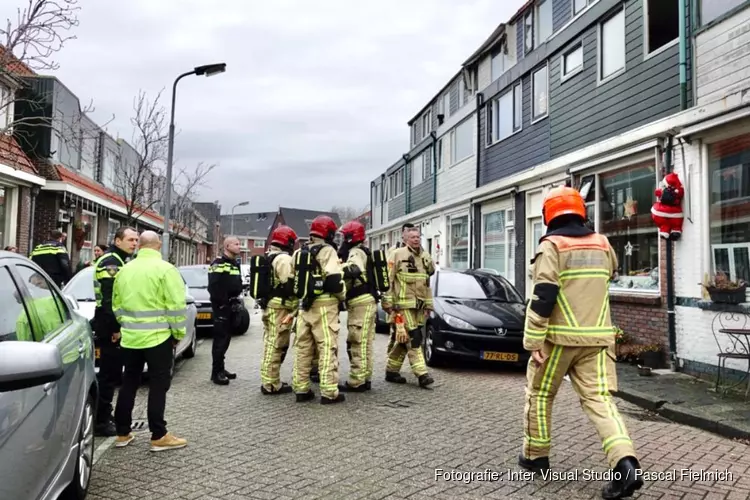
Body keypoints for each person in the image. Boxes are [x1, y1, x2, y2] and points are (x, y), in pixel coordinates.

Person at [519, 186, 642, 499]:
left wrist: (533, 339)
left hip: (557, 339)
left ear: (549, 214)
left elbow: (543, 296)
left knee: (540, 394)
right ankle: (625, 464)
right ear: (580, 211)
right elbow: (611, 273)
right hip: (598, 339)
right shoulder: (602, 243)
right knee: (601, 402)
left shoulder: (552, 246)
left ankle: (536, 456)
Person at [111, 231, 187, 452]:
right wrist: (178, 333)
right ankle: (159, 435)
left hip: (131, 338)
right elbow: (175, 306)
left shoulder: (124, 271)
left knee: (129, 384)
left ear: (140, 246)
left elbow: (116, 304)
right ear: (158, 245)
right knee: (158, 385)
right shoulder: (166, 270)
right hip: (158, 338)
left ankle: (122, 432)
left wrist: (125, 325)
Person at [291, 215, 346, 404]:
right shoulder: (328, 251)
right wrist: (342, 298)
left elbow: (292, 279)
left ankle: (301, 389)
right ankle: (329, 392)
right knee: (326, 348)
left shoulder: (299, 252)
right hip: (324, 307)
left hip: (304, 307)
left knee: (303, 349)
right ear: (328, 233)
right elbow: (334, 281)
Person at [92, 228, 139, 436]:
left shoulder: (119, 260)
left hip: (108, 323)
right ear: (117, 240)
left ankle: (103, 415)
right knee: (108, 375)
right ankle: (101, 421)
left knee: (110, 374)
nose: (134, 243)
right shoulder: (111, 262)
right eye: (130, 239)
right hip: (108, 325)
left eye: (137, 240)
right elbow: (110, 299)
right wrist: (115, 329)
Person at [382, 225, 435, 388]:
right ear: (405, 239)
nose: (416, 239)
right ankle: (422, 374)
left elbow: (427, 281)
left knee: (403, 340)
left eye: (418, 236)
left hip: (418, 307)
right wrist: (387, 304)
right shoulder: (397, 255)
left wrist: (428, 305)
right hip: (402, 307)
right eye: (412, 237)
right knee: (414, 338)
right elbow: (388, 281)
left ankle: (391, 371)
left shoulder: (425, 256)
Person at [338, 220, 377, 392]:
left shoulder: (355, 252)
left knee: (357, 341)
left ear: (349, 237)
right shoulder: (364, 251)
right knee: (366, 342)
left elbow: (354, 269)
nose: (341, 240)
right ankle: (365, 377)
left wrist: (337, 269)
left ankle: (356, 381)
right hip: (368, 301)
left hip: (360, 302)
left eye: (343, 236)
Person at [259, 225, 298, 395]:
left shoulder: (269, 256)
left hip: (271, 306)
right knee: (277, 344)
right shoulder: (283, 259)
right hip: (280, 308)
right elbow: (289, 284)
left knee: (270, 343)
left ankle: (269, 380)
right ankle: (271, 384)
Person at [208, 236, 244, 385]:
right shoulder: (219, 263)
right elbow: (214, 286)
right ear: (227, 246)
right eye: (236, 244)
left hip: (232, 306)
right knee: (220, 341)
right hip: (222, 308)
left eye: (239, 244)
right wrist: (222, 304)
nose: (239, 246)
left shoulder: (234, 264)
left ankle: (221, 369)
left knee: (226, 339)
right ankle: (216, 373)